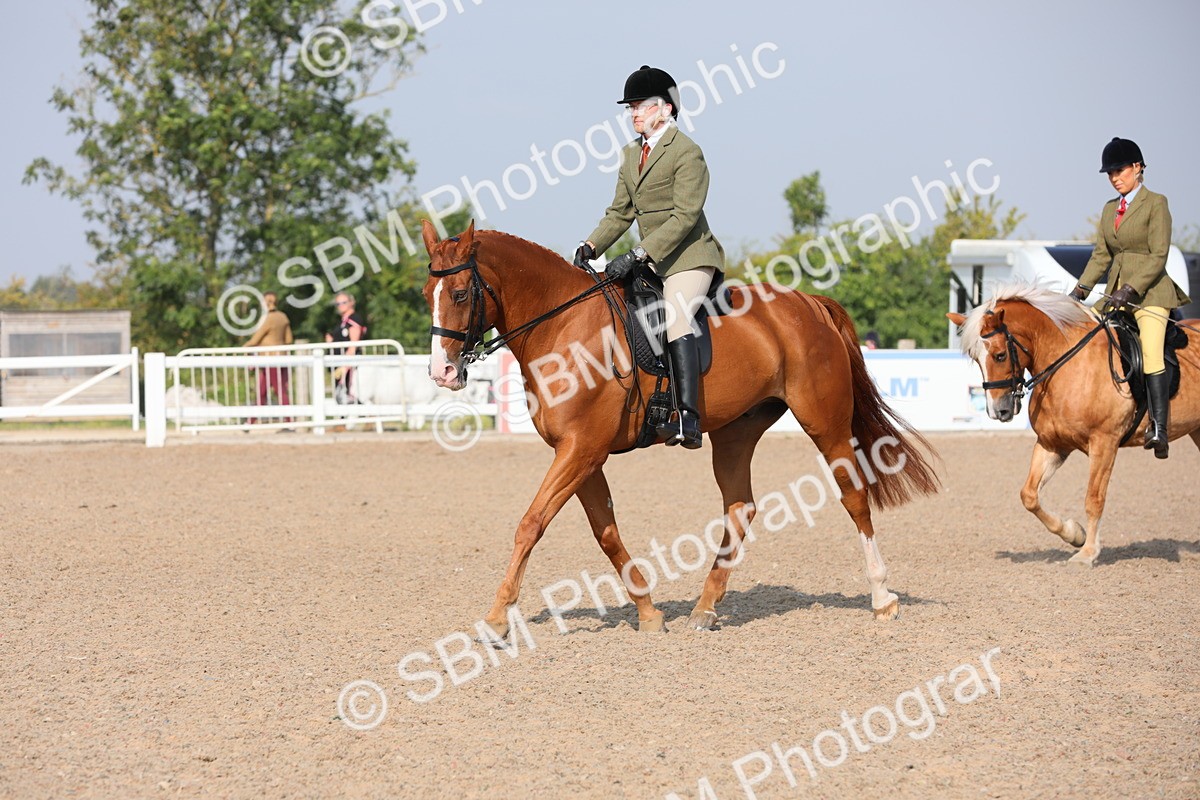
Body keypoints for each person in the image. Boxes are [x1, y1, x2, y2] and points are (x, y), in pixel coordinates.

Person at [574, 65, 725, 450]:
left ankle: (688, 417)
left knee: (675, 317)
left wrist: (639, 252)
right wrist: (591, 245)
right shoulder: (630, 154)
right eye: (631, 108)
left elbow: (685, 216)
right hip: (653, 261)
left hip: (689, 257)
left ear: (666, 108)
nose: (633, 114)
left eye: (640, 106)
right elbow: (619, 213)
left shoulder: (687, 152)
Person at [1071, 137, 1189, 459]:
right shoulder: (1110, 209)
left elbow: (1159, 256)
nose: (1114, 178)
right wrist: (1080, 290)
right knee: (1086, 337)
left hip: (1150, 294)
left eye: (1119, 170)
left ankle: (1159, 429)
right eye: (1110, 173)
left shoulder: (1156, 203)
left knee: (1151, 353)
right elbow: (1101, 255)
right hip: (1115, 295)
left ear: (1137, 167)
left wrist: (1131, 288)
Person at [244, 291, 293, 424]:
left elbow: (255, 340)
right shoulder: (283, 317)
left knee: (279, 391)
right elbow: (289, 339)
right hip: (281, 358)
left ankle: (290, 421)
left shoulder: (267, 319)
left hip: (269, 359)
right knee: (263, 391)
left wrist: (243, 348)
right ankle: (250, 422)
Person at [326, 291, 367, 404]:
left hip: (349, 366)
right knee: (341, 398)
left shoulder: (354, 319)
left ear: (351, 302)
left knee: (350, 397)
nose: (340, 306)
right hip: (340, 364)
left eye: (344, 302)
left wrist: (344, 367)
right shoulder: (342, 321)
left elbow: (353, 346)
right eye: (338, 303)